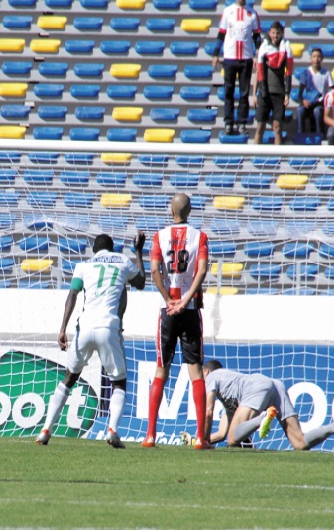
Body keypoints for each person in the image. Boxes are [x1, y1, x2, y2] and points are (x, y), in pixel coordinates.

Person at [36, 232, 147, 449]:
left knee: (69, 379)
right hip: (108, 327)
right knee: (119, 383)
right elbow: (141, 282)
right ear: (112, 249)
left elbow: (73, 295)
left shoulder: (84, 266)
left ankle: (46, 429)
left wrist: (62, 328)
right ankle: (112, 429)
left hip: (84, 328)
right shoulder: (123, 261)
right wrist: (139, 252)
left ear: (95, 250)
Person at [143, 193, 211, 450]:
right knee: (196, 371)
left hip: (167, 310)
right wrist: (185, 301)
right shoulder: (200, 236)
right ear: (190, 210)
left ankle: (150, 435)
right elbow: (202, 270)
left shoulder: (159, 236)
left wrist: (168, 299)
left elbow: (153, 270)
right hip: (190, 309)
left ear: (171, 210)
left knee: (161, 370)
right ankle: (201, 438)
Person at [193, 360, 334, 451]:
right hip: (275, 385)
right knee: (300, 443)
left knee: (233, 439)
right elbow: (222, 433)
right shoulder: (229, 391)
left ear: (206, 372)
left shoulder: (212, 377)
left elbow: (208, 411)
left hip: (256, 385)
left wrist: (203, 441)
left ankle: (264, 416)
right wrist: (198, 441)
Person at [213, 0, 262, 136]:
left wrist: (257, 55)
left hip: (246, 58)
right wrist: (216, 53)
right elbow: (221, 33)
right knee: (228, 90)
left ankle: (241, 122)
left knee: (243, 92)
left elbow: (257, 37)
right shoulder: (228, 12)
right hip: (230, 57)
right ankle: (228, 122)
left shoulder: (252, 14)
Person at [253, 21, 293, 146]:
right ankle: (255, 154)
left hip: (279, 92)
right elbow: (258, 73)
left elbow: (289, 73)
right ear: (269, 33)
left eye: (278, 33)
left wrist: (287, 93)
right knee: (260, 126)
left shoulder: (285, 49)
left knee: (278, 127)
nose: (275, 36)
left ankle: (278, 156)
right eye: (273, 33)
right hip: (265, 92)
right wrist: (254, 93)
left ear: (282, 34)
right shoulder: (264, 49)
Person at [296, 47, 333, 136]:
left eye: (318, 56)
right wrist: (303, 101)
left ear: (322, 59)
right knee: (299, 111)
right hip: (308, 103)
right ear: (310, 58)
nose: (316, 59)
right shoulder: (305, 73)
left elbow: (332, 90)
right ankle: (301, 134)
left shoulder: (326, 73)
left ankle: (319, 134)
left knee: (317, 111)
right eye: (314, 56)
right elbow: (300, 94)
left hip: (320, 104)